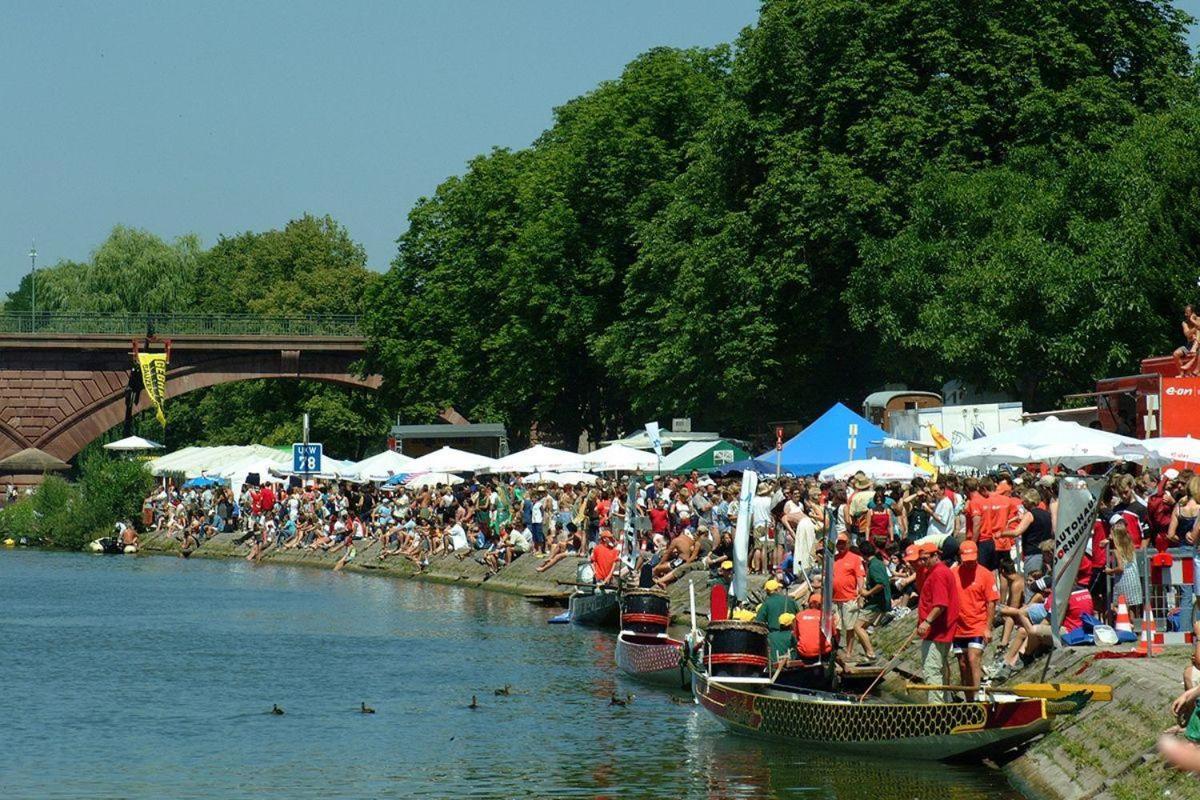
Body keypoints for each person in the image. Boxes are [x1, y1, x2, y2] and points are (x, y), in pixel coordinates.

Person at [951, 540, 999, 697]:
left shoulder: (985, 574)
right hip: (959, 627)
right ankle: (969, 698)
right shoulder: (954, 574)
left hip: (977, 625)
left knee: (973, 659)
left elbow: (991, 602)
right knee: (963, 664)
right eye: (967, 561)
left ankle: (977, 697)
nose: (970, 564)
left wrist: (987, 627)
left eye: (972, 560)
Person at [916, 541, 960, 703]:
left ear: (936, 556)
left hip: (936, 631)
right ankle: (945, 703)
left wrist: (927, 622)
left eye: (925, 559)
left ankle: (936, 708)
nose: (922, 562)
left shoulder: (939, 574)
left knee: (931, 670)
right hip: (940, 630)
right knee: (940, 668)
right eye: (921, 559)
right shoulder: (938, 572)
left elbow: (940, 603)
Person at [831, 533, 868, 662]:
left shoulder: (855, 558)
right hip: (835, 599)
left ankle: (849, 651)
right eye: (839, 543)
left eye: (843, 543)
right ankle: (835, 649)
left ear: (848, 544)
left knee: (850, 627)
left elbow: (860, 577)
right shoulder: (833, 559)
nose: (840, 545)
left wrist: (861, 594)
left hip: (850, 598)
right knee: (835, 626)